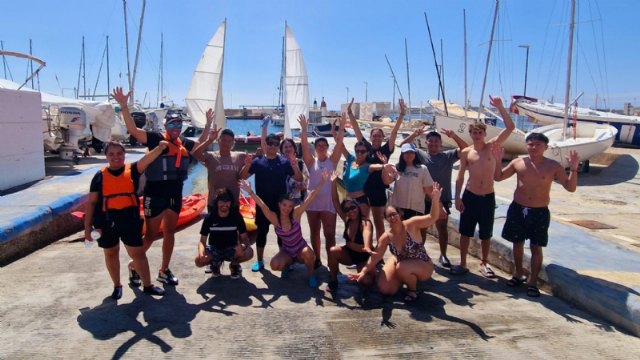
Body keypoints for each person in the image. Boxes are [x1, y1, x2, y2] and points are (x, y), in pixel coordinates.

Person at [112, 87, 205, 286]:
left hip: (174, 194)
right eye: (172, 124)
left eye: (179, 124)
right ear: (165, 125)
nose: (176, 128)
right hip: (154, 195)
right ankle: (134, 265)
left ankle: (164, 270)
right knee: (151, 235)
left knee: (170, 233)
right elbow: (133, 131)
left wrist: (208, 132)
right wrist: (124, 106)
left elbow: (200, 148)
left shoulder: (184, 143)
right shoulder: (155, 139)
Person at [493, 133, 579, 297]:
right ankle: (518, 274)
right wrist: (497, 160)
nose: (533, 147)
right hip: (518, 209)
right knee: (517, 243)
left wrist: (573, 168)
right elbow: (498, 177)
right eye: (530, 144)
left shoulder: (553, 166)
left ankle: (532, 281)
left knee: (535, 247)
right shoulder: (518, 162)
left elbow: (570, 187)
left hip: (539, 211)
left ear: (545, 147)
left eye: (538, 145)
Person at [84, 141, 165, 299]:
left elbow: (147, 159)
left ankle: (147, 285)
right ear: (106, 156)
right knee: (111, 253)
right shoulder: (99, 176)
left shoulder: (133, 170)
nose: (116, 157)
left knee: (138, 253)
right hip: (106, 222)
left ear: (124, 154)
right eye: (111, 154)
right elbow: (92, 202)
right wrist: (87, 228)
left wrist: (160, 147)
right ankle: (117, 285)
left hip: (129, 220)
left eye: (119, 153)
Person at [451, 95, 515, 277]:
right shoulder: (465, 152)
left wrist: (501, 107)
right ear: (470, 134)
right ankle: (463, 263)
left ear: (484, 134)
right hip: (470, 196)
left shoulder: (492, 147)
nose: (477, 135)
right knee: (465, 232)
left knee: (486, 234)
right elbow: (460, 176)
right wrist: (457, 197)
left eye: (480, 133)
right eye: (474, 133)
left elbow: (510, 127)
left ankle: (484, 263)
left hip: (488, 197)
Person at [350, 183, 442, 302]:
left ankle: (412, 290)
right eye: (389, 216)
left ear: (400, 214)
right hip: (400, 261)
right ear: (386, 219)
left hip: (422, 264)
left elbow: (432, 217)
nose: (392, 218)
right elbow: (376, 257)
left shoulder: (411, 224)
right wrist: (363, 272)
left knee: (402, 267)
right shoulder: (387, 236)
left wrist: (435, 200)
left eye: (394, 214)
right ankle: (403, 277)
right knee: (385, 289)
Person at [239, 170, 329, 287]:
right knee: (274, 265)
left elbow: (310, 197)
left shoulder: (296, 214)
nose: (287, 208)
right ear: (279, 205)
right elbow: (262, 205)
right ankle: (287, 265)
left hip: (301, 248)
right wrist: (250, 191)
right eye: (284, 205)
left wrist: (322, 181)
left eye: (290, 206)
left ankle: (311, 275)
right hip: (287, 250)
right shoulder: (275, 218)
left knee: (310, 255)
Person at [400, 129, 468, 267]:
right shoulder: (420, 154)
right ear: (426, 142)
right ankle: (422, 254)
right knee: (423, 228)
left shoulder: (448, 156)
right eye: (430, 141)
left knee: (442, 228)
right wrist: (414, 135)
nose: (433, 143)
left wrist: (454, 135)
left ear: (441, 143)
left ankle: (443, 255)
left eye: (436, 141)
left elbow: (466, 149)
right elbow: (401, 146)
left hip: (443, 198)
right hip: (424, 198)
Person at [240, 132, 303, 272]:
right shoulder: (257, 161)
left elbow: (299, 178)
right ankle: (260, 261)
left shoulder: (284, 162)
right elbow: (243, 176)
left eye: (276, 144)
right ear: (265, 145)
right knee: (262, 233)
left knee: (282, 235)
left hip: (281, 208)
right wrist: (247, 165)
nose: (273, 146)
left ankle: (285, 260)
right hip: (263, 205)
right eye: (270, 143)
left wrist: (294, 165)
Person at [348, 98, 406, 242]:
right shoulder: (366, 148)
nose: (376, 138)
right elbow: (356, 131)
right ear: (371, 137)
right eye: (374, 135)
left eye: (379, 136)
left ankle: (379, 252)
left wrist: (402, 115)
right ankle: (361, 249)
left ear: (382, 138)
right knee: (362, 221)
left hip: (379, 191)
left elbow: (394, 133)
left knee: (379, 223)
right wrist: (350, 114)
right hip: (363, 190)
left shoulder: (386, 150)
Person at [298, 113, 345, 269]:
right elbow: (304, 146)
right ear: (316, 149)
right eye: (319, 146)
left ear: (327, 147)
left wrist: (342, 126)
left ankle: (332, 261)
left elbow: (339, 145)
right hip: (312, 203)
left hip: (328, 204)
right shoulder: (311, 162)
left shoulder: (333, 161)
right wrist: (304, 129)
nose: (322, 148)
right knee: (314, 232)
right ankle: (317, 258)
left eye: (324, 146)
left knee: (330, 235)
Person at [326, 170, 375, 293]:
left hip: (363, 257)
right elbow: (336, 202)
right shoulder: (347, 219)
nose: (350, 211)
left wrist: (366, 246)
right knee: (333, 250)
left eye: (353, 207)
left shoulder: (365, 222)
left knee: (367, 282)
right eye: (347, 209)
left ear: (357, 208)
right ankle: (333, 280)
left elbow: (366, 238)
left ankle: (374, 269)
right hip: (349, 255)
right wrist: (333, 183)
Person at [194, 188, 254, 279]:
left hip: (231, 248)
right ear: (217, 202)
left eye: (227, 202)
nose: (225, 204)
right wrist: (201, 253)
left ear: (230, 203)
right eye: (222, 201)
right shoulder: (209, 217)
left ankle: (234, 265)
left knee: (249, 252)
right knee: (198, 261)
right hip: (215, 248)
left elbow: (245, 238)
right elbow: (202, 241)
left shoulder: (236, 216)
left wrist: (243, 247)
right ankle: (215, 265)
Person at [191, 117, 248, 210]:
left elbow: (260, 159)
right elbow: (195, 153)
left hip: (233, 204)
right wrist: (209, 140)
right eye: (224, 140)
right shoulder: (211, 156)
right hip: (214, 203)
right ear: (218, 140)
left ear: (233, 143)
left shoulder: (240, 156)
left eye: (229, 141)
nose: (226, 143)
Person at [338, 140, 392, 218]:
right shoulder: (350, 160)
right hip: (347, 200)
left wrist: (384, 165)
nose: (359, 153)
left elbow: (376, 166)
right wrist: (334, 130)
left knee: (362, 226)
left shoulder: (368, 167)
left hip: (361, 201)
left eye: (363, 151)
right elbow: (340, 145)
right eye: (357, 151)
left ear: (367, 153)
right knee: (350, 226)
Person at [383, 143, 434, 222]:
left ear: (415, 154)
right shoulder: (397, 168)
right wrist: (385, 167)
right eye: (406, 152)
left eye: (411, 152)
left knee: (416, 233)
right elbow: (386, 181)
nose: (409, 155)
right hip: (399, 209)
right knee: (400, 232)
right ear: (402, 154)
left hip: (416, 208)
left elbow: (429, 190)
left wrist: (438, 205)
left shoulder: (422, 169)